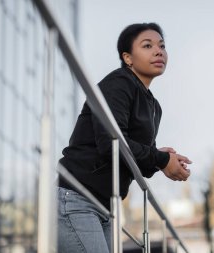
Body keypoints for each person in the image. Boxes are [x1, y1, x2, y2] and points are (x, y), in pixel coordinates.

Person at [57, 22, 192, 253]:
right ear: (128, 58)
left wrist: (163, 159)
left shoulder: (153, 106)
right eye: (147, 45)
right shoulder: (118, 84)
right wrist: (159, 159)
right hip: (77, 198)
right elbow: (112, 145)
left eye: (162, 46)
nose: (159, 51)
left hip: (106, 206)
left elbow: (136, 161)